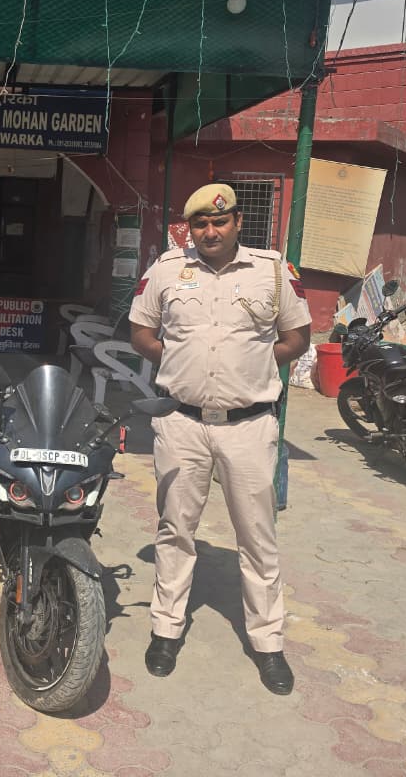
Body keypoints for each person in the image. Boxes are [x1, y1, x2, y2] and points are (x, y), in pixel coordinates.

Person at [128, 183, 311, 695]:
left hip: (248, 427)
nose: (210, 231)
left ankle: (268, 643)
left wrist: (253, 365)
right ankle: (166, 630)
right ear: (190, 228)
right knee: (174, 530)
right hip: (181, 423)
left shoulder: (272, 270)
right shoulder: (167, 269)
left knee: (257, 537)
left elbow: (298, 336)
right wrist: (175, 359)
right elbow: (140, 331)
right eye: (201, 224)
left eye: (220, 221)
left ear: (238, 222)